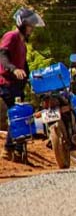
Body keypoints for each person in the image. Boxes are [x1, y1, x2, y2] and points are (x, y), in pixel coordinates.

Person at [0, 8, 44, 161]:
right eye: (30, 25)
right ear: (21, 24)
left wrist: (31, 80)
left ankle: (20, 153)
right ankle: (8, 149)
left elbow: (24, 66)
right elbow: (3, 55)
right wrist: (13, 69)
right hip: (6, 83)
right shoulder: (10, 36)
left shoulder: (22, 43)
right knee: (17, 115)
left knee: (24, 115)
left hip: (17, 85)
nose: (31, 29)